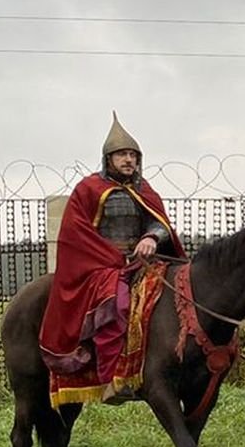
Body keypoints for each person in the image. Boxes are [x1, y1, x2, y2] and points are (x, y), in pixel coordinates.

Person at [39, 112, 184, 386]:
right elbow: (77, 233)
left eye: (133, 155)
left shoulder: (144, 189)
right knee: (117, 302)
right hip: (101, 265)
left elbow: (160, 223)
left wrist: (152, 237)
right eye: (122, 155)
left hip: (142, 261)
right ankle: (112, 374)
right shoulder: (89, 188)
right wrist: (112, 257)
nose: (129, 160)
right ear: (108, 159)